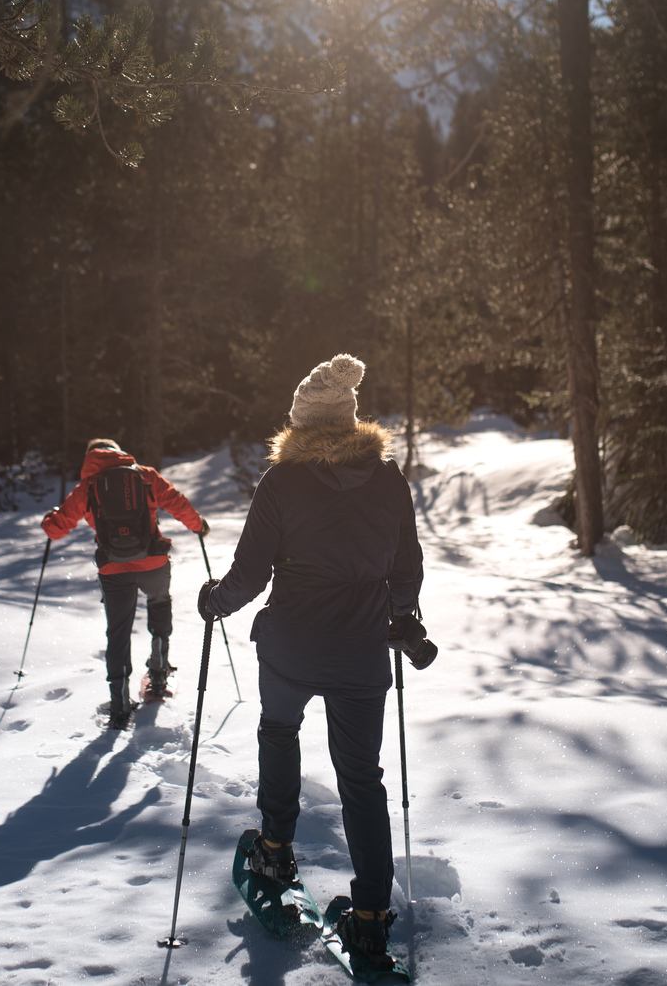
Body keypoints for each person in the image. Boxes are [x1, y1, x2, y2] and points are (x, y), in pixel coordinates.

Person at [197, 354, 423, 963]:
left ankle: (273, 851)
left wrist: (216, 601)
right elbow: (406, 567)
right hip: (361, 650)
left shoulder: (282, 481)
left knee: (279, 730)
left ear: (300, 423)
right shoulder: (389, 479)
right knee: (362, 780)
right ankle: (372, 914)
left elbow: (250, 572)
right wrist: (405, 617)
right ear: (350, 422)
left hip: (292, 645)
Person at [43, 437, 208, 727]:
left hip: (114, 567)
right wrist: (198, 525)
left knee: (118, 631)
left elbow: (59, 527)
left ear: (89, 457)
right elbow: (176, 501)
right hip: (153, 561)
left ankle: (119, 702)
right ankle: (158, 676)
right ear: (118, 453)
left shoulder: (89, 486)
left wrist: (49, 521)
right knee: (159, 606)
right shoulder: (144, 476)